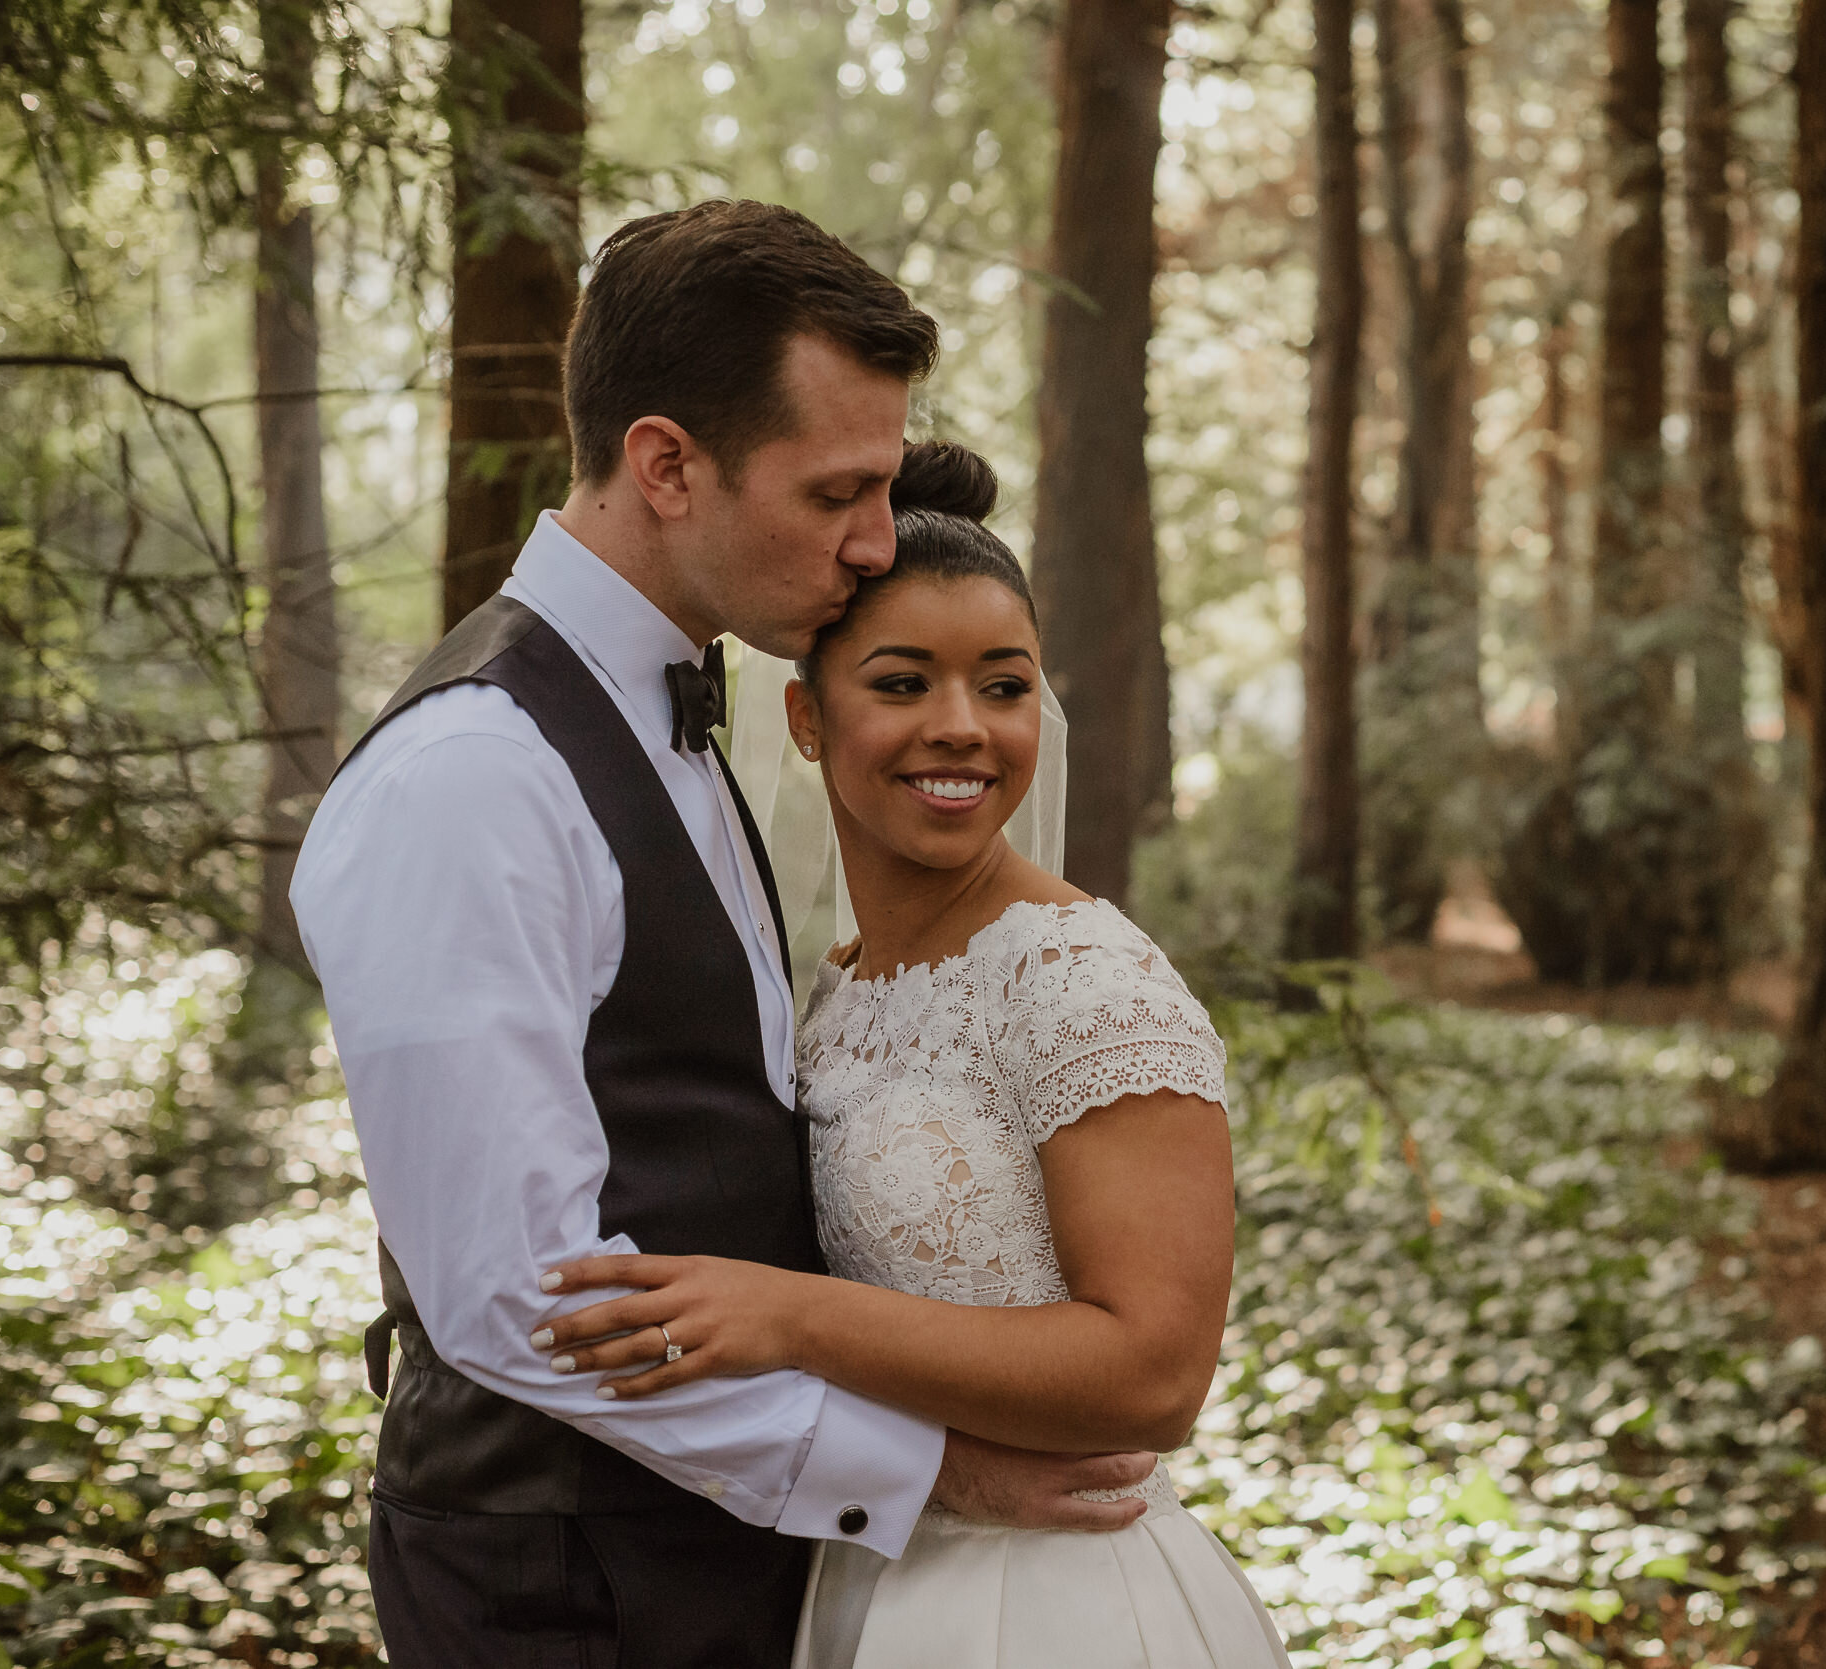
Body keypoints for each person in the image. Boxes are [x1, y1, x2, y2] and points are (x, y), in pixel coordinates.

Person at [292, 201, 1155, 1669]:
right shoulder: (473, 777)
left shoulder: (683, 707)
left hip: (715, 1555)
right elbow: (524, 1298)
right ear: (667, 465)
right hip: (561, 1580)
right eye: (838, 494)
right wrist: (937, 1473)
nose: (879, 539)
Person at [530, 441, 1291, 1668]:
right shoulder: (835, 985)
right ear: (807, 717)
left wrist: (788, 1315)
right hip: (869, 1573)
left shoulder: (1083, 980)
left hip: (1056, 1605)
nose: (961, 729)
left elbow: (1156, 1374)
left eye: (1002, 686)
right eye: (902, 682)